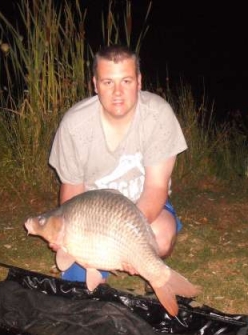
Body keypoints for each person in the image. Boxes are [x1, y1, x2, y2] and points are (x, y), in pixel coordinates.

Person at [48, 44, 187, 287]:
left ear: (139, 81)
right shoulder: (74, 125)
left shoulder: (158, 115)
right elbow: (71, 192)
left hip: (142, 203)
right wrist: (66, 236)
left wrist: (128, 241)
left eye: (126, 81)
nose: (118, 93)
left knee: (161, 238)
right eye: (108, 82)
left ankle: (151, 268)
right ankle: (102, 265)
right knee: (79, 283)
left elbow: (156, 187)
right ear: (95, 84)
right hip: (93, 215)